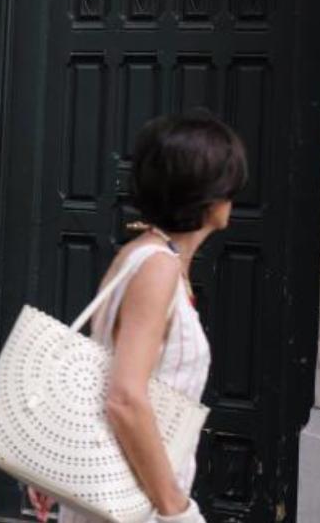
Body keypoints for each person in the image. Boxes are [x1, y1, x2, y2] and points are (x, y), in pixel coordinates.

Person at [41, 110, 248, 523]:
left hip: (121, 490)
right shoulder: (157, 267)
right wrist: (175, 508)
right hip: (133, 500)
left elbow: (102, 373)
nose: (234, 198)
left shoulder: (142, 256)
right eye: (229, 185)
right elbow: (124, 397)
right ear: (207, 194)